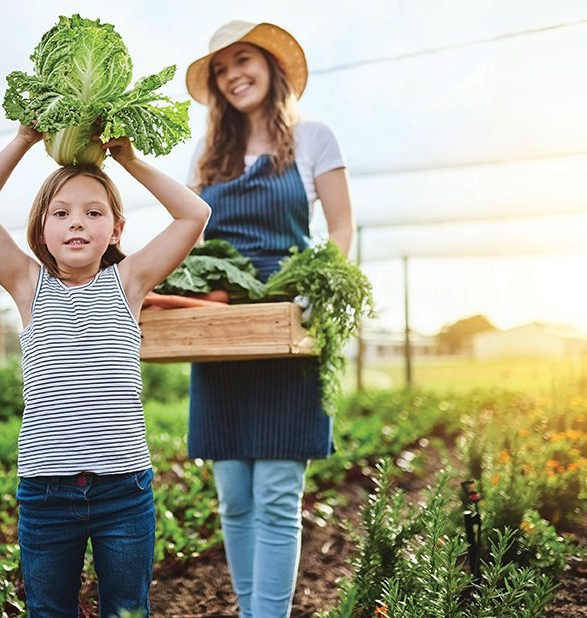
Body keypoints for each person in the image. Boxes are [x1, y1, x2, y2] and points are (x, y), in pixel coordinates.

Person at [0, 123, 210, 617]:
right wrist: (25, 139)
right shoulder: (27, 285)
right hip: (46, 496)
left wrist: (130, 160)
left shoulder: (129, 281)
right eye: (62, 213)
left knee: (128, 610)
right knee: (49, 611)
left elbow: (193, 214)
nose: (77, 223)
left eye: (94, 213)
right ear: (41, 229)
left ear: (115, 230)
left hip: (124, 492)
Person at [183, 20, 355, 618]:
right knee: (233, 497)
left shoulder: (314, 139)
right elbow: (190, 240)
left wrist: (317, 289)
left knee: (278, 495)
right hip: (220, 326)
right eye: (221, 69)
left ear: (272, 67)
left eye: (244, 60)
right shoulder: (206, 159)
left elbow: (340, 231)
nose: (233, 75)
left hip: (287, 322)